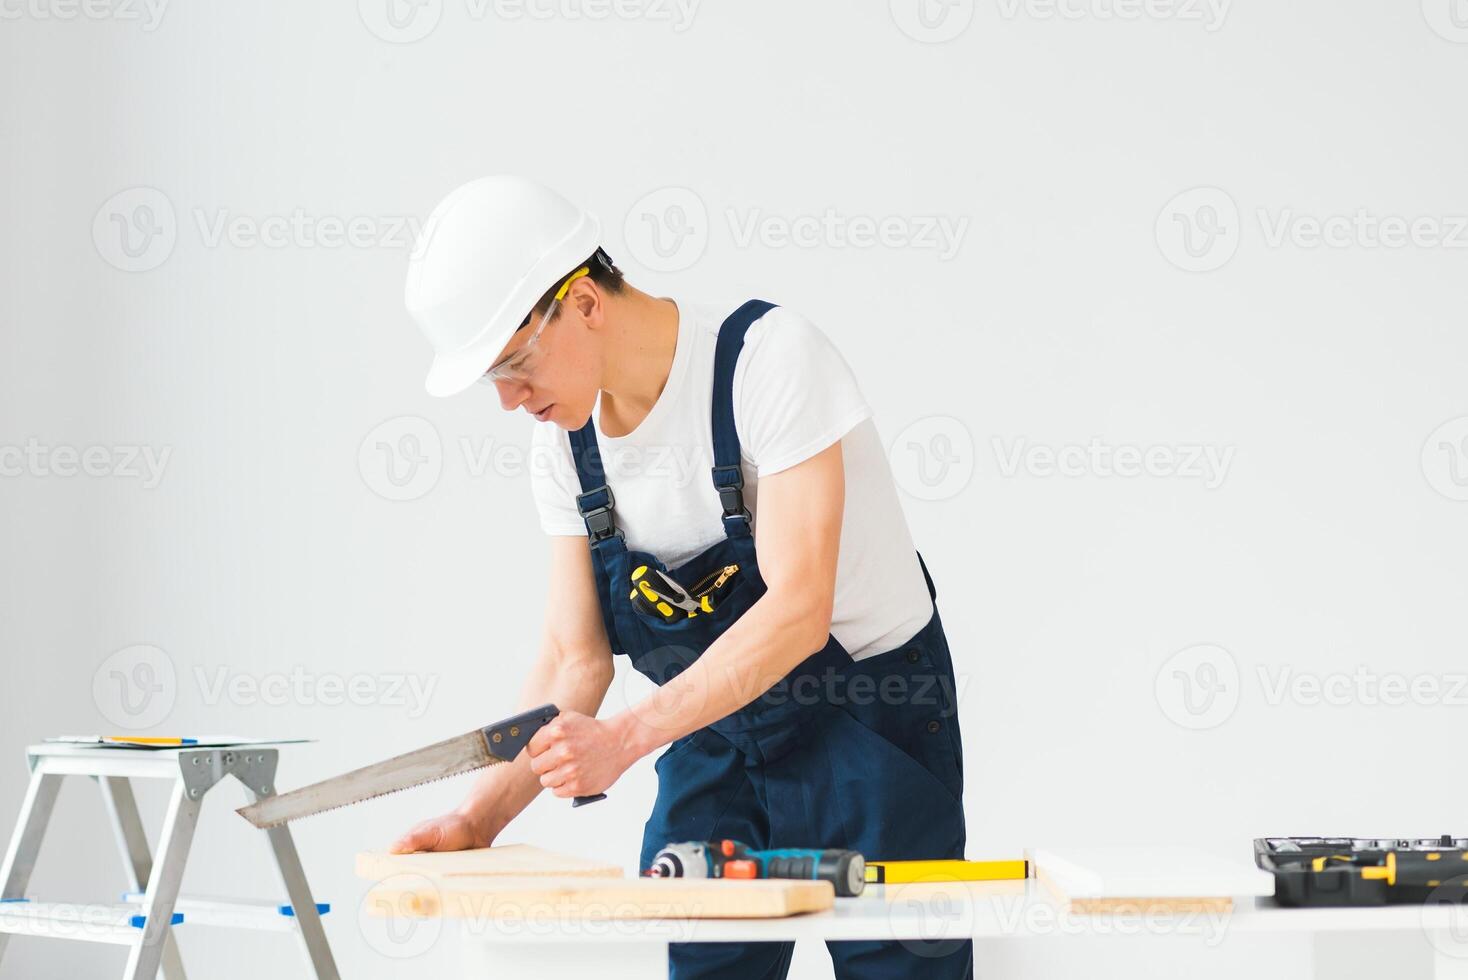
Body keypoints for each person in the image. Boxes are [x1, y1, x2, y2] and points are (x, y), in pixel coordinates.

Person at [390, 175, 971, 979]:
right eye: (493, 380)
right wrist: (476, 819)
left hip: (871, 727)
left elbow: (801, 611)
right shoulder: (565, 446)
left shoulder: (768, 364)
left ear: (585, 302)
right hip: (713, 740)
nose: (510, 400)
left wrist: (624, 739)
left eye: (515, 364)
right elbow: (574, 661)